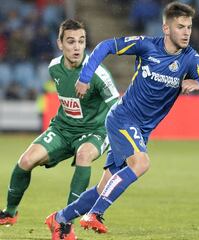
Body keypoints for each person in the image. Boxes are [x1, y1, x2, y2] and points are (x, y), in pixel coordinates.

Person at [45, 2, 199, 239]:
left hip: (141, 129)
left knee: (104, 186)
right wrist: (86, 76)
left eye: (189, 27)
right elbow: (106, 46)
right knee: (141, 163)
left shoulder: (191, 59)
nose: (186, 32)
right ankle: (95, 214)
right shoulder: (147, 46)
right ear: (166, 28)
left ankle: (59, 218)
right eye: (180, 27)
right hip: (123, 117)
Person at [0, 19, 119, 230]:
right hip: (62, 128)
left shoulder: (98, 74)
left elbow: (118, 107)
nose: (77, 47)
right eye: (71, 41)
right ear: (60, 44)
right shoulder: (54, 67)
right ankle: (9, 213)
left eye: (81, 41)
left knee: (83, 155)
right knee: (26, 160)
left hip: (95, 131)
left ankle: (65, 222)